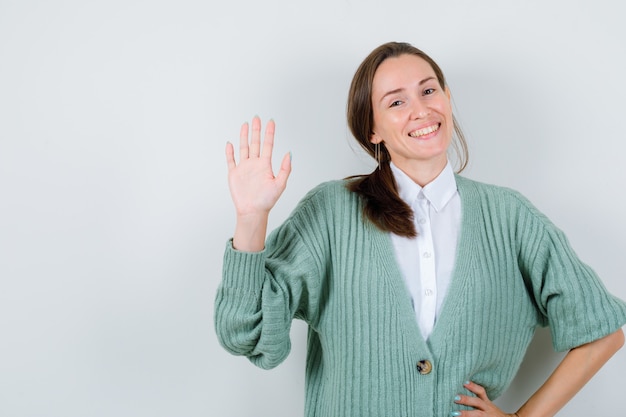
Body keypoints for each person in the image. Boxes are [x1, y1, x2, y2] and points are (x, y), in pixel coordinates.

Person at [214, 41, 626, 417]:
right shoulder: (330, 211)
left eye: (429, 91)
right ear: (372, 128)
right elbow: (245, 335)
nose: (421, 110)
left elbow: (603, 330)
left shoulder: (510, 217)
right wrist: (251, 218)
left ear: (447, 99)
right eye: (396, 101)